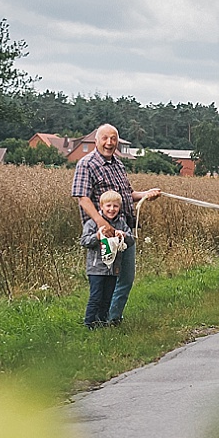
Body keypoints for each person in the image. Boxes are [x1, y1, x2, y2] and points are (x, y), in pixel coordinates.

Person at [71, 124, 161, 325]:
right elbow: (82, 198)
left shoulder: (118, 165)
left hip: (124, 231)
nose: (110, 143)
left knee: (125, 278)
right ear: (96, 140)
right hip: (101, 234)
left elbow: (128, 195)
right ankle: (98, 322)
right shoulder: (86, 164)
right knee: (102, 280)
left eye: (113, 139)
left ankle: (112, 318)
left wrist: (146, 194)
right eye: (105, 138)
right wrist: (102, 224)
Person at [80, 190, 135, 329]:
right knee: (96, 297)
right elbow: (85, 241)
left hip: (113, 269)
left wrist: (123, 236)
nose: (112, 209)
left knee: (107, 298)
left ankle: (103, 323)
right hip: (96, 269)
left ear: (119, 208)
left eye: (115, 206)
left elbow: (131, 240)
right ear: (101, 206)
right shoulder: (92, 223)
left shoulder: (121, 223)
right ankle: (89, 324)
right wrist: (97, 237)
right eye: (108, 206)